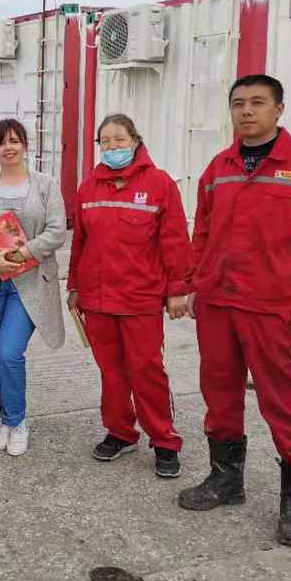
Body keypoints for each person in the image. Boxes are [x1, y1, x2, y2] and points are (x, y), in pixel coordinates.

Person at [179, 74, 291, 547]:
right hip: (218, 304)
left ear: (279, 109)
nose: (246, 111)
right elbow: (203, 232)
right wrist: (194, 283)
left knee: (284, 401)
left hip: (273, 308)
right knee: (219, 393)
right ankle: (225, 479)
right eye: (238, 103)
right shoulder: (219, 167)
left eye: (257, 102)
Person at [67, 113, 190, 478]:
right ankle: (120, 432)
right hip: (98, 299)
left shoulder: (160, 184)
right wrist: (75, 287)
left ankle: (165, 440)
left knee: (147, 371)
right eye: (105, 141)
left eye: (119, 139)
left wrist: (177, 290)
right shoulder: (89, 187)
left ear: (135, 140)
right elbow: (80, 243)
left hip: (140, 299)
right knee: (112, 372)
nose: (112, 147)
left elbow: (175, 242)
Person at [0, 119, 66, 457]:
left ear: (25, 145)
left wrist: (22, 253)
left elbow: (56, 231)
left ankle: (17, 422)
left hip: (29, 283)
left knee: (9, 352)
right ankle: (6, 420)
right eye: (1, 142)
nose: (8, 148)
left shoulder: (45, 185)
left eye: (14, 141)